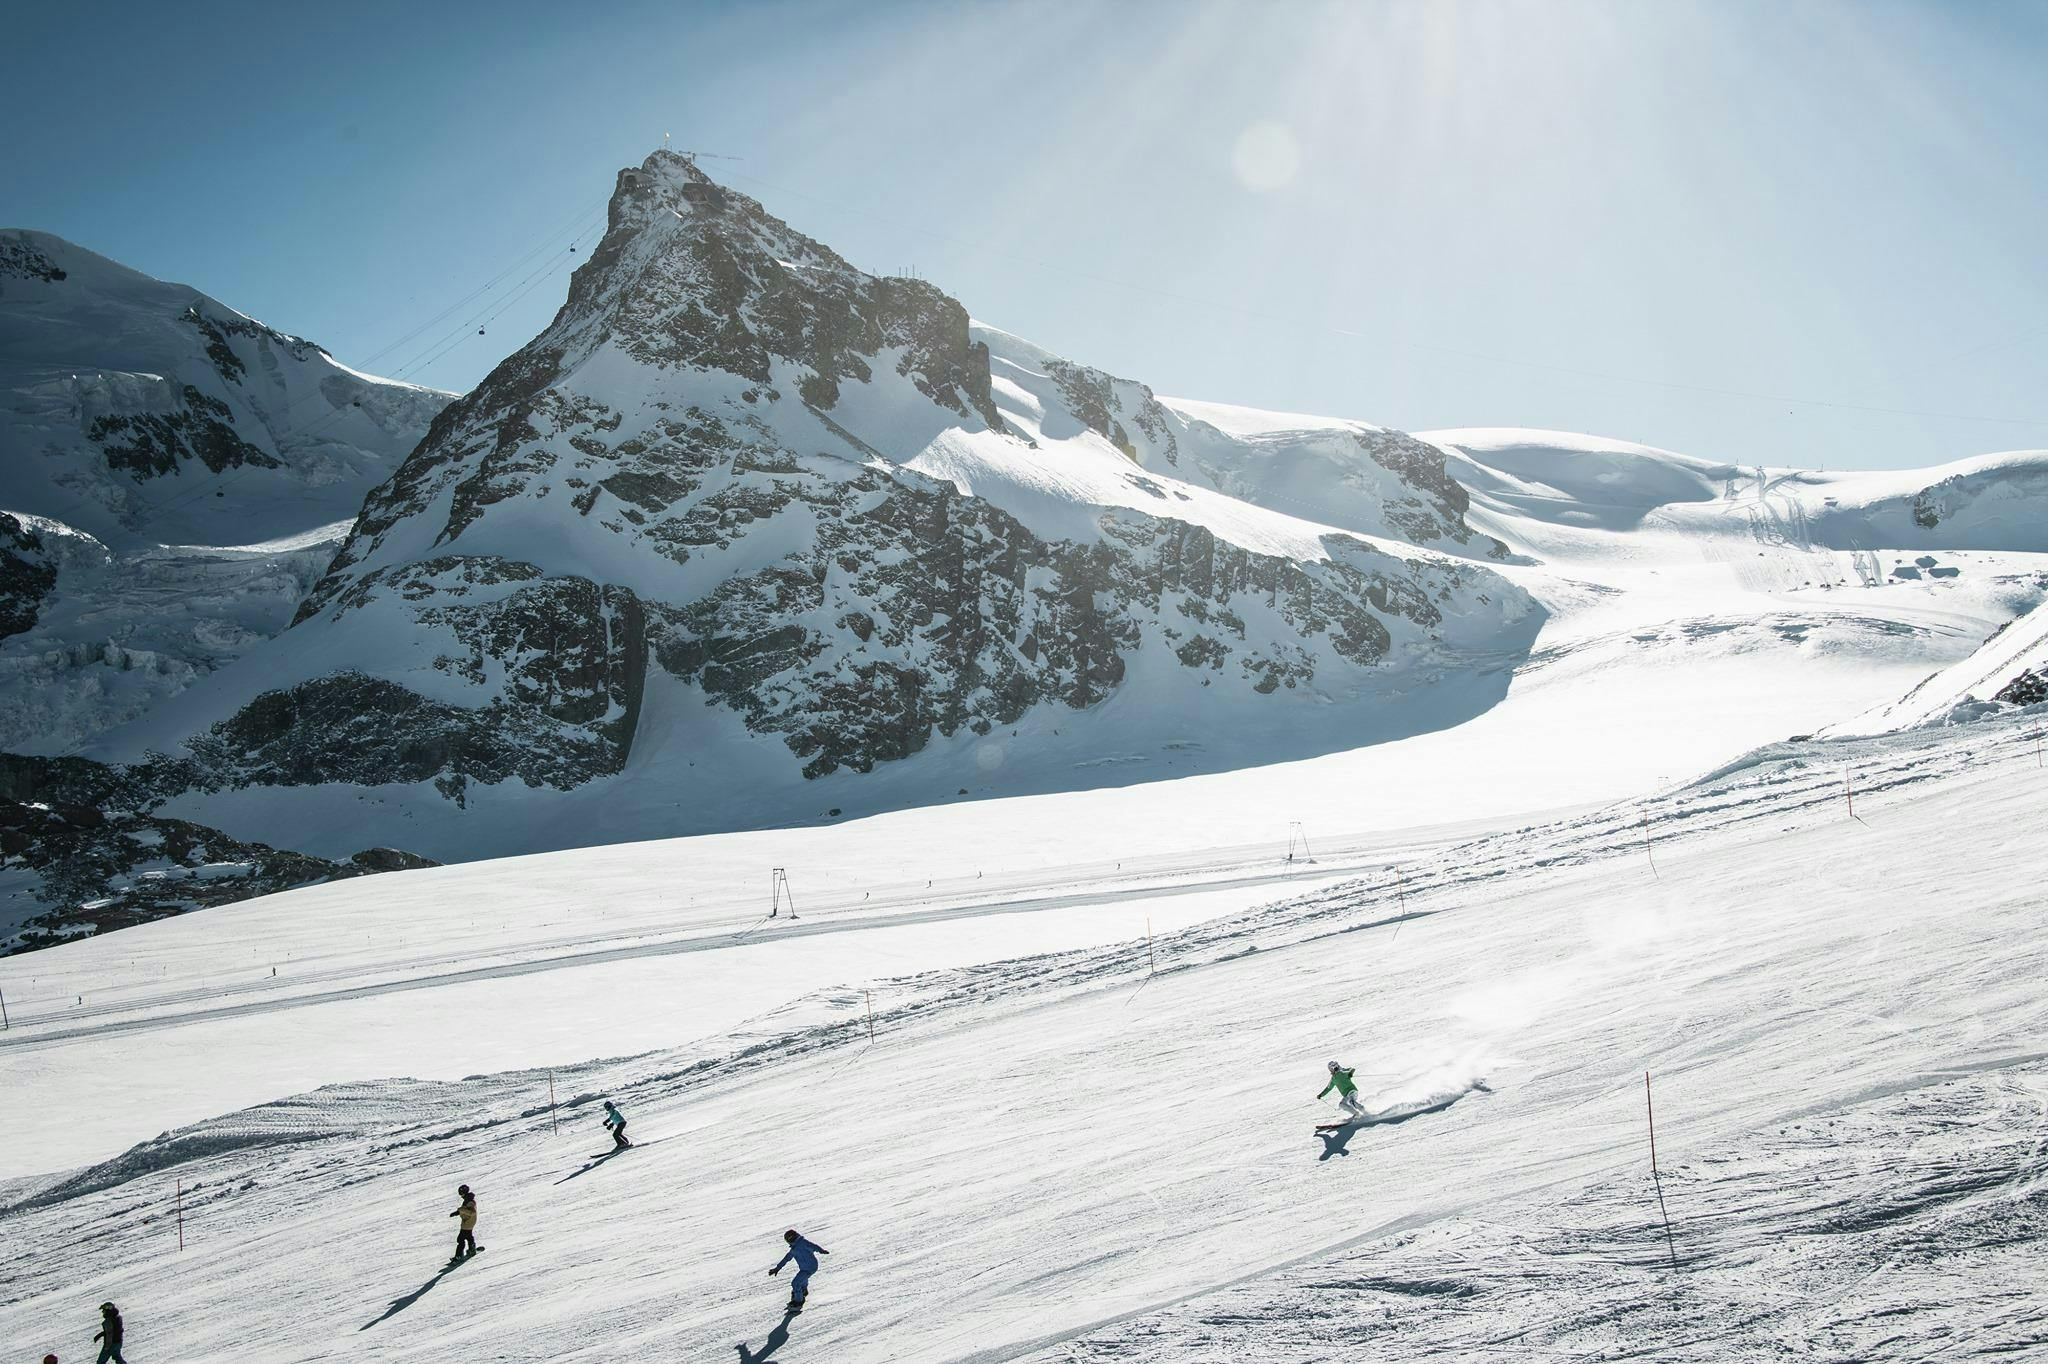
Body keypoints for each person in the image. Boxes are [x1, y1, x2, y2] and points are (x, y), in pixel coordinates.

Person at [768, 1229, 828, 1313]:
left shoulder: (802, 1243)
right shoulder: (794, 1248)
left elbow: (813, 1246)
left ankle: (799, 1301)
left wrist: (821, 1250)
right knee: (801, 1279)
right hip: (807, 1268)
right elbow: (786, 1259)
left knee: (795, 1283)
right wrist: (777, 1268)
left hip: (809, 1268)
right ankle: (803, 1290)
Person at [449, 1184, 480, 1260]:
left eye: (461, 1194)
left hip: (467, 1223)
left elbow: (472, 1212)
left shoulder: (470, 1202)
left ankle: (459, 1256)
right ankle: (472, 1249)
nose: (461, 1196)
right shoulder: (468, 1200)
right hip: (469, 1222)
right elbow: (465, 1210)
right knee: (469, 1236)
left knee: (460, 1239)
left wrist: (460, 1210)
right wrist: (456, 1213)